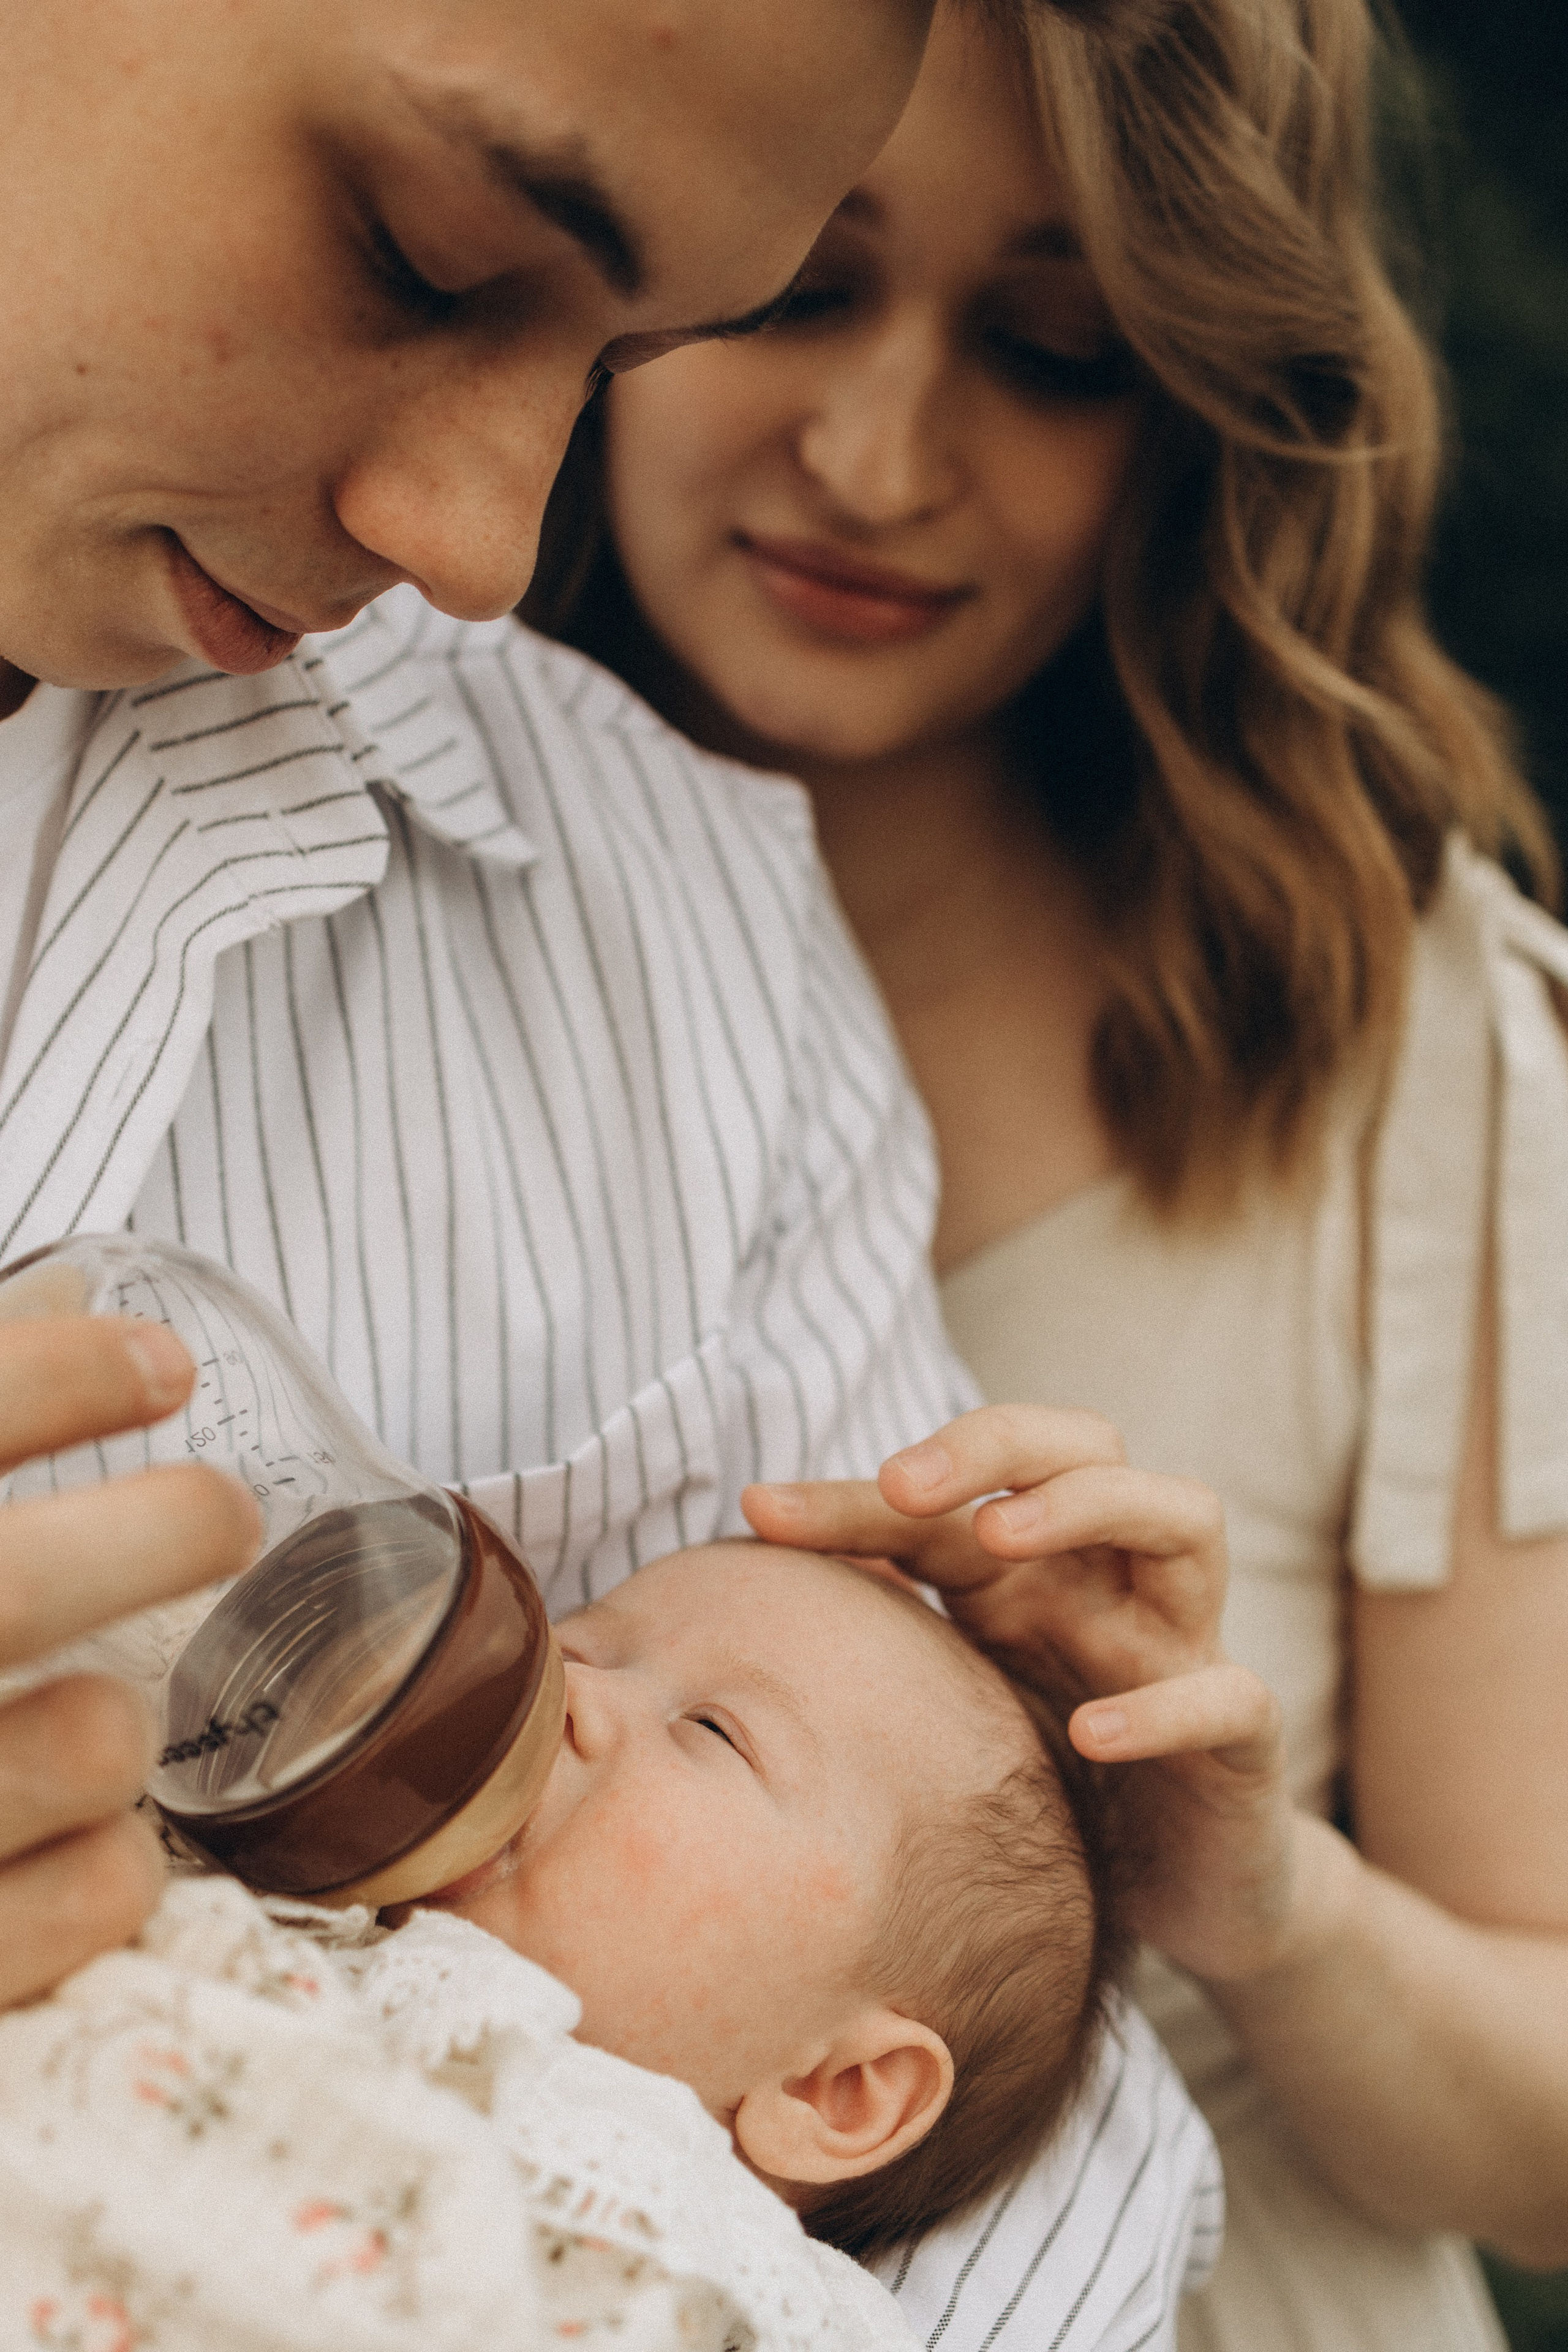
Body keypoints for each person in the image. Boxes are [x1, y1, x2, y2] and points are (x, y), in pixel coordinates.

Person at [0, 2, 1216, 2347]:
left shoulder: (682, 932)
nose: (483, 546)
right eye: (431, 251)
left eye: (639, 342)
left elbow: (1038, 2190)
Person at [526, 0, 1568, 2341]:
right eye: (797, 278)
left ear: (1207, 411)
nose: (881, 456)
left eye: (1056, 351)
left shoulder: (1408, 1050)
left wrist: (1265, 1894)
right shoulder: (288, 883)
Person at [2, 1453, 1251, 2344]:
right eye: (584, 1639)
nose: (565, 1694)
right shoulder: (273, 1885)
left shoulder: (713, 2271)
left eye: (711, 1731)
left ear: (835, 2090)